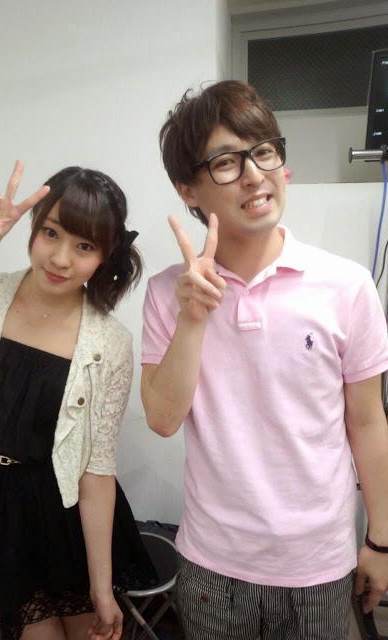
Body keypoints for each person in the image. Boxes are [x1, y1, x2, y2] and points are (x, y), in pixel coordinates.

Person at [141, 80, 388, 640]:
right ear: (188, 190)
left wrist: (381, 538)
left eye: (264, 151)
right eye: (226, 162)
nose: (254, 174)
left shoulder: (346, 285)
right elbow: (162, 419)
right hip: (212, 562)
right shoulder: (167, 293)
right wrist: (192, 318)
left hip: (319, 562)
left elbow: (368, 421)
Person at [0, 162, 156, 640]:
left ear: (104, 255)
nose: (61, 259)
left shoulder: (109, 343)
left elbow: (96, 471)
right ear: (33, 227)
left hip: (66, 510)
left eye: (84, 246)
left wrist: (102, 588)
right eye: (51, 233)